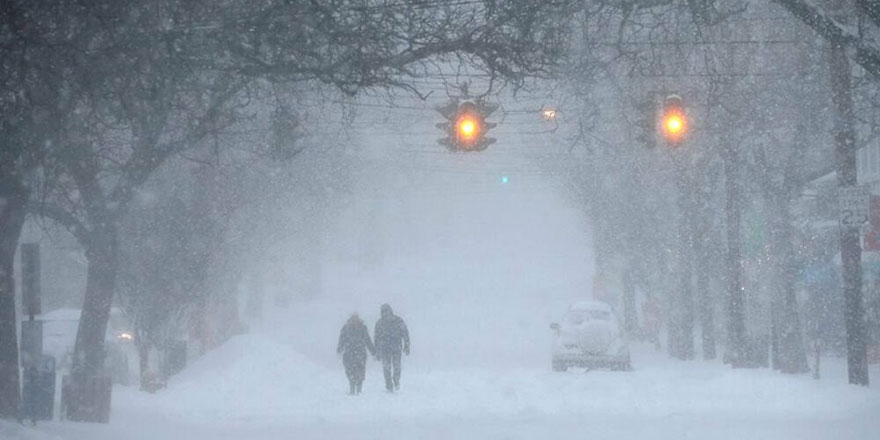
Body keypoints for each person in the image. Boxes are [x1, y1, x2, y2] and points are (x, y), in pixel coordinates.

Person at [374, 303, 410, 392]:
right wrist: (377, 351)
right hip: (385, 349)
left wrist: (407, 344)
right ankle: (389, 384)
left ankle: (396, 380)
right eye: (383, 312)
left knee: (397, 366)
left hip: (396, 347)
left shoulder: (398, 320)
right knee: (387, 367)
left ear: (390, 311)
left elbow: (405, 332)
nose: (385, 314)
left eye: (386, 311)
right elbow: (376, 338)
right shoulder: (379, 323)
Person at [337, 313, 375, 395]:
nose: (355, 321)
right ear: (350, 320)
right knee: (349, 370)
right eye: (353, 320)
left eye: (356, 320)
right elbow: (342, 339)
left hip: (360, 353)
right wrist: (339, 349)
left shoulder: (362, 328)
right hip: (349, 353)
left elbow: (367, 340)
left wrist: (373, 351)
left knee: (360, 370)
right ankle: (352, 386)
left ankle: (359, 387)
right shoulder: (346, 328)